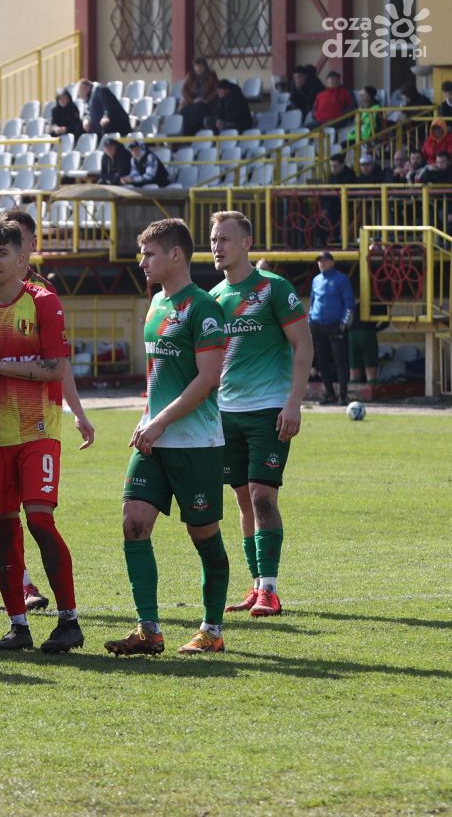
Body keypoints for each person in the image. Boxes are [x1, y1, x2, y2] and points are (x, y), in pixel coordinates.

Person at [0, 209, 95, 614]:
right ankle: (10, 612)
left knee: (37, 519)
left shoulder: (43, 297)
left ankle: (66, 616)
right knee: (0, 519)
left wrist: (77, 411)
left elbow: (58, 365)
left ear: (24, 251)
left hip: (37, 425)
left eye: (4, 251)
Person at [105, 218, 230, 657]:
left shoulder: (203, 308)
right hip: (153, 441)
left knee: (203, 535)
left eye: (149, 254)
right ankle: (148, 630)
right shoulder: (156, 303)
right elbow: (159, 377)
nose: (142, 262)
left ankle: (212, 630)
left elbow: (207, 379)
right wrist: (148, 420)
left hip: (196, 444)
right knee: (133, 524)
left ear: (176, 254)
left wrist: (159, 421)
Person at [208, 211, 312, 619]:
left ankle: (270, 589)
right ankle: (255, 585)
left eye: (225, 239)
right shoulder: (214, 297)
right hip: (225, 414)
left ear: (247, 243)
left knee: (262, 496)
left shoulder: (274, 289)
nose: (217, 247)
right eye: (214, 239)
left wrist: (293, 402)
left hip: (269, 410)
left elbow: (303, 346)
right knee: (242, 500)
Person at [308, 252, 354, 405]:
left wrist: (343, 324)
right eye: (320, 261)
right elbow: (312, 302)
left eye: (325, 260)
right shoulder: (316, 280)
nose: (321, 263)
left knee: (340, 360)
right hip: (317, 325)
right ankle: (329, 394)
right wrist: (310, 320)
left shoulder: (341, 279)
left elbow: (349, 303)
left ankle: (343, 396)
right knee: (322, 361)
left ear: (332, 262)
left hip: (335, 326)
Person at [179, 58, 220, 135]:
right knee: (184, 112)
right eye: (196, 66)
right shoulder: (190, 75)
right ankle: (187, 134)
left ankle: (197, 131)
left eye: (200, 66)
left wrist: (206, 100)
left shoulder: (212, 75)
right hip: (192, 103)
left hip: (207, 103)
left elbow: (216, 90)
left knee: (200, 108)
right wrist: (193, 100)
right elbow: (183, 90)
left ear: (205, 66)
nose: (198, 69)